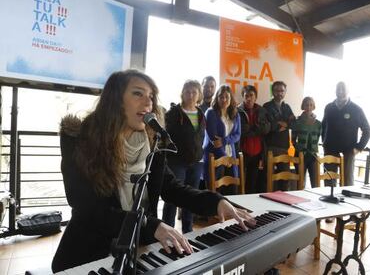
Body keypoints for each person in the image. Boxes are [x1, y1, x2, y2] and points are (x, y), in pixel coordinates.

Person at [51, 70, 254, 272]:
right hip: (86, 256)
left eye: (151, 96)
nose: (148, 102)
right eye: (138, 93)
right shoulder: (79, 141)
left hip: (136, 251)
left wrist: (215, 202)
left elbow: (171, 187)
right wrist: (151, 226)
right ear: (115, 99)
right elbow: (90, 210)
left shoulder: (152, 142)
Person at [162, 80, 205, 233]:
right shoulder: (173, 113)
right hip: (177, 162)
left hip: (196, 162)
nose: (191, 95)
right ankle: (167, 231)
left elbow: (200, 137)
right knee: (172, 197)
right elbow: (165, 137)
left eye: (194, 92)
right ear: (182, 93)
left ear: (199, 94)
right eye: (187, 91)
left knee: (190, 198)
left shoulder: (200, 113)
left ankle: (188, 232)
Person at [322, 81, 370, 186]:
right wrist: (324, 142)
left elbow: (367, 130)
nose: (340, 91)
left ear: (348, 91)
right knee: (329, 181)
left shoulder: (356, 109)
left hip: (349, 150)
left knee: (347, 182)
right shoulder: (329, 107)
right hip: (330, 149)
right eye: (338, 88)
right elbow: (323, 126)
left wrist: (358, 148)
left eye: (343, 89)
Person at [203, 85, 241, 195]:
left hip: (231, 155)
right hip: (214, 155)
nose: (224, 100)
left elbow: (237, 135)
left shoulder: (235, 113)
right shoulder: (211, 113)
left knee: (232, 190)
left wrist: (225, 140)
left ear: (231, 99)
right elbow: (214, 140)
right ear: (217, 98)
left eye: (226, 97)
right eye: (221, 97)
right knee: (214, 192)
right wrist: (224, 158)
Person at [263, 81, 295, 191]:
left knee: (285, 178)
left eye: (282, 91)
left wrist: (283, 124)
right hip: (270, 147)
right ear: (273, 92)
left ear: (285, 92)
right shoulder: (266, 106)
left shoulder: (287, 107)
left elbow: (293, 122)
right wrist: (282, 124)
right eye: (277, 90)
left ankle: (284, 201)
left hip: (284, 147)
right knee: (268, 178)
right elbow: (270, 125)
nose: (279, 93)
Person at [237, 85, 270, 193]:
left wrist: (252, 128)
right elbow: (242, 130)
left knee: (252, 183)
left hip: (257, 153)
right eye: (246, 96)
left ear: (256, 97)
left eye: (251, 95)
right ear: (243, 97)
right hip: (242, 152)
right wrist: (256, 128)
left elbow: (266, 129)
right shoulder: (238, 111)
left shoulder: (262, 110)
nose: (249, 98)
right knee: (240, 181)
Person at [291, 97, 322, 188]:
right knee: (300, 183)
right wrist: (299, 149)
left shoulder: (318, 124)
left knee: (315, 183)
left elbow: (318, 138)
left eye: (311, 105)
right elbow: (293, 139)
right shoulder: (297, 122)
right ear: (303, 106)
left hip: (313, 156)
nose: (309, 107)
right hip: (300, 155)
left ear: (314, 106)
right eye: (306, 104)